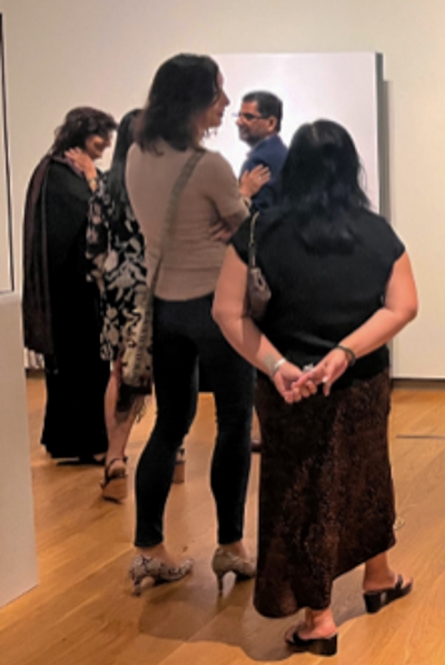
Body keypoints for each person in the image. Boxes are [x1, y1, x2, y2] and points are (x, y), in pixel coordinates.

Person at [213, 120, 417, 657]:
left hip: (289, 391)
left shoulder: (257, 232)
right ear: (351, 169)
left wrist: (278, 364)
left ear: (292, 169)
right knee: (369, 475)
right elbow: (403, 306)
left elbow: (227, 311)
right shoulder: (377, 234)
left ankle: (319, 618)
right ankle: (378, 577)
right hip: (361, 385)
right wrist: (346, 353)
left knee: (301, 492)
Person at [124, 53, 256, 593]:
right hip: (217, 306)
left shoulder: (134, 154)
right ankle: (230, 545)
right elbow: (244, 231)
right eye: (218, 94)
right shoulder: (210, 167)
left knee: (170, 424)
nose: (225, 104)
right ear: (195, 100)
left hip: (164, 307)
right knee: (233, 423)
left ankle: (149, 547)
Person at [22, 106, 117, 462]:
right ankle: (84, 444)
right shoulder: (61, 176)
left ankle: (73, 441)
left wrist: (94, 178)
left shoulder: (61, 171)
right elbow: (95, 221)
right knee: (82, 371)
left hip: (73, 294)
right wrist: (94, 182)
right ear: (80, 135)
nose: (107, 143)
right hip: (72, 296)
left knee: (78, 372)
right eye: (101, 136)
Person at [86, 108, 150, 500]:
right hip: (159, 282)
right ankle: (174, 452)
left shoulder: (105, 184)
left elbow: (93, 246)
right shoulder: (163, 184)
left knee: (118, 371)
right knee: (170, 371)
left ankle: (115, 457)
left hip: (118, 284)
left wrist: (106, 281)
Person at [237, 91, 286, 210]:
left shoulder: (259, 161)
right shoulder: (282, 153)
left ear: (271, 123)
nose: (238, 122)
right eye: (239, 116)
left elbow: (247, 217)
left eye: (248, 117)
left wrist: (243, 193)